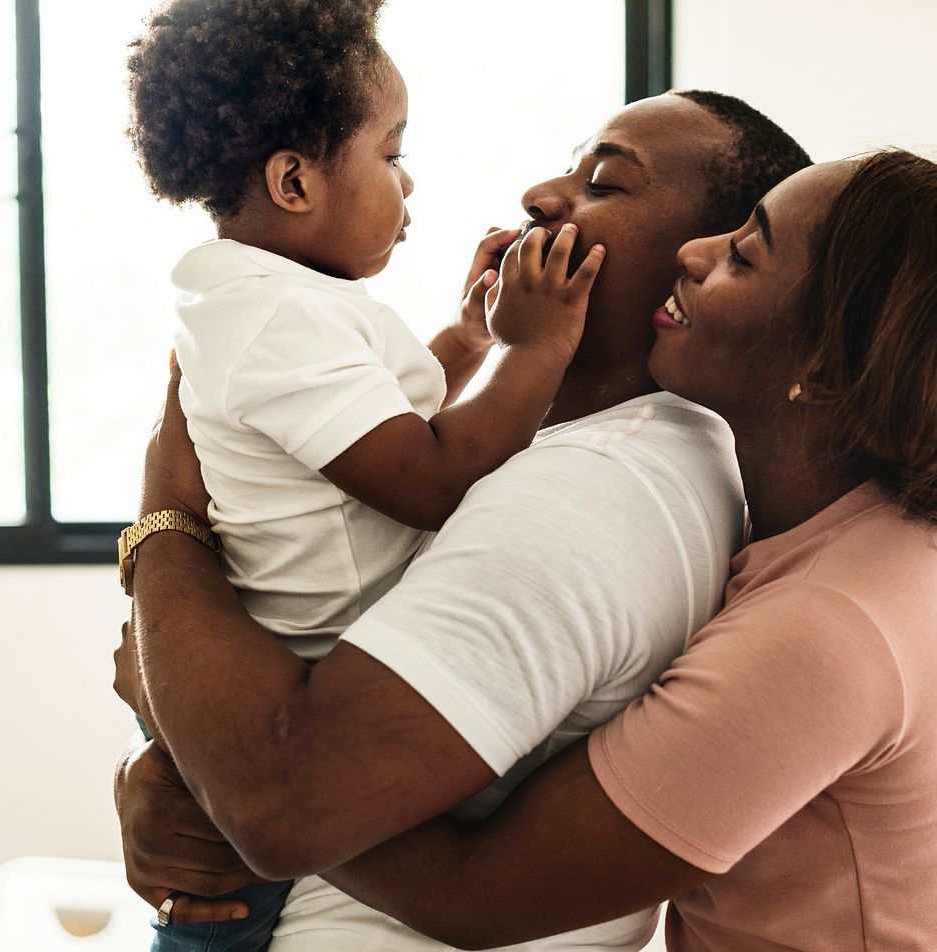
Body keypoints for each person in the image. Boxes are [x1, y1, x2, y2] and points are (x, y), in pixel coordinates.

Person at [114, 91, 812, 951]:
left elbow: (281, 804)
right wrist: (183, 755)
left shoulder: (597, 483)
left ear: (699, 263)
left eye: (602, 183)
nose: (541, 196)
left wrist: (165, 528)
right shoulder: (573, 449)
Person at [284, 150, 937, 951]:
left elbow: (470, 894)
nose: (694, 254)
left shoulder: (827, 625)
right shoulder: (845, 534)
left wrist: (236, 793)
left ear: (828, 367)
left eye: (742, 252)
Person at [123, 1, 600, 947]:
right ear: (295, 180)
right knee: (217, 919)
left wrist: (468, 342)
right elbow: (425, 477)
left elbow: (373, 427)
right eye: (391, 154)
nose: (409, 181)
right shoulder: (274, 318)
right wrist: (537, 346)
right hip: (279, 700)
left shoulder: (280, 302)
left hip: (296, 679)